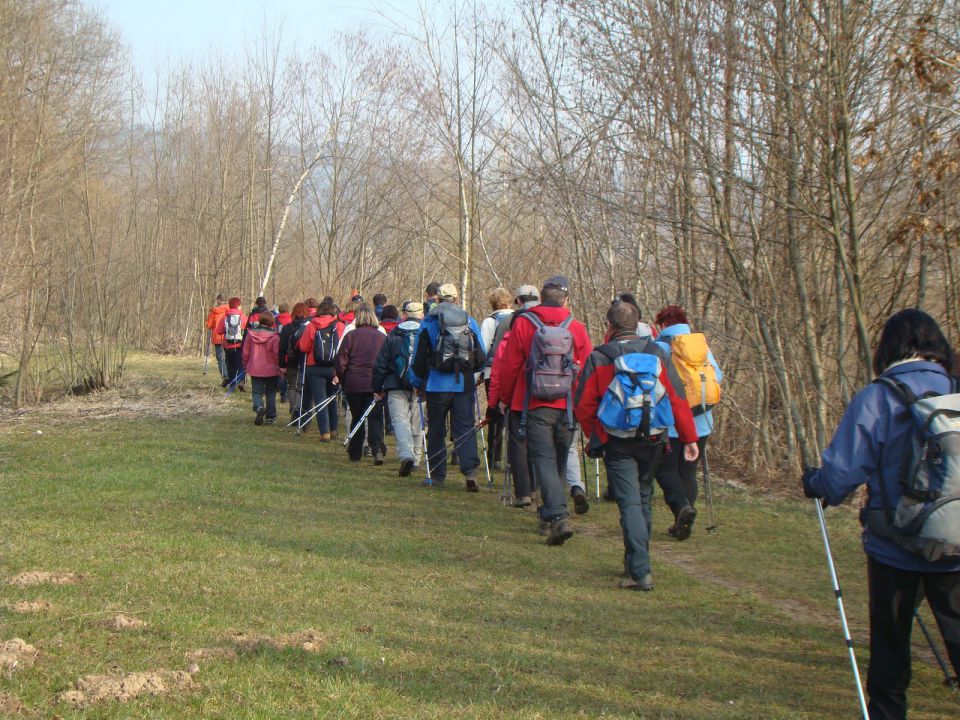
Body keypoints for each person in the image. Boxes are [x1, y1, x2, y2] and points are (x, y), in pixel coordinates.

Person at [802, 309, 960, 720]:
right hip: (957, 540)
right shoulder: (956, 388)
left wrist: (814, 482)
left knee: (891, 643)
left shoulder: (879, 396)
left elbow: (840, 476)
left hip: (895, 544)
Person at [575, 301, 698, 590]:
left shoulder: (600, 357)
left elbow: (582, 404)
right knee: (643, 499)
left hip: (617, 442)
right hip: (654, 439)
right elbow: (678, 399)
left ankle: (639, 570)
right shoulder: (656, 352)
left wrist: (596, 433)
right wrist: (689, 437)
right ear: (638, 324)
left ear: (610, 326)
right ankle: (635, 562)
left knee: (629, 503)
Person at [495, 275, 592, 544]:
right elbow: (586, 369)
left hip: (533, 403)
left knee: (544, 461)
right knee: (559, 461)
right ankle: (550, 514)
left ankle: (557, 516)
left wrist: (504, 398)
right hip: (568, 405)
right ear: (566, 300)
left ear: (542, 297)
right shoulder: (577, 327)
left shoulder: (525, 323)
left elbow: (511, 365)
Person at [652, 304, 722, 540]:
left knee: (665, 469)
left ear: (662, 325)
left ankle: (682, 508)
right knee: (688, 470)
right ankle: (683, 520)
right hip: (701, 421)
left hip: (671, 423)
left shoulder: (660, 347)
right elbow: (717, 377)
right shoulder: (701, 347)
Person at [410, 282, 487, 491]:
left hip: (436, 384)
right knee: (465, 428)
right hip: (463, 383)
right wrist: (475, 372)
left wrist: (416, 383)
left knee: (436, 430)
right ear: (456, 299)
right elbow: (481, 356)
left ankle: (437, 476)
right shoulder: (468, 321)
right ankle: (470, 473)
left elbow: (418, 357)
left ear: (437, 299)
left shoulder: (428, 322)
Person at [488, 285, 541, 508]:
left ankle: (523, 492)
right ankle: (539, 487)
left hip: (519, 396)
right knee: (539, 444)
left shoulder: (507, 332)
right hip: (550, 396)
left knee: (518, 443)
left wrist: (499, 400)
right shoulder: (562, 326)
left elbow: (502, 369)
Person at [373, 301, 425, 476]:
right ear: (421, 315)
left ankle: (406, 456)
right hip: (420, 386)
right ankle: (417, 459)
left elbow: (382, 362)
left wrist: (378, 386)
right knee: (418, 422)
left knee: (400, 421)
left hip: (395, 384)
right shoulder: (426, 332)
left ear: (404, 315)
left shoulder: (394, 333)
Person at [335, 303, 388, 463]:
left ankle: (355, 451)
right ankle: (377, 449)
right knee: (375, 418)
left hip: (354, 382)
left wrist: (342, 378)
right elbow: (387, 361)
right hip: (375, 383)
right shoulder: (382, 338)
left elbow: (341, 361)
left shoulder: (351, 336)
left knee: (357, 416)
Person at [297, 298, 345, 440]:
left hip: (315, 366)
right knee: (332, 398)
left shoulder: (312, 325)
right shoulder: (340, 326)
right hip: (334, 368)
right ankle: (334, 429)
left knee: (320, 400)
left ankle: (324, 432)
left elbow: (304, 347)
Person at [481, 288, 514, 472]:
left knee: (494, 415)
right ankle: (513, 457)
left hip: (492, 372)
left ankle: (494, 457)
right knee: (513, 417)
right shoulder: (519, 317)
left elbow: (484, 347)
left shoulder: (490, 321)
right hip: (514, 372)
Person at [242, 311, 282, 425]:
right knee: (270, 392)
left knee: (256, 391)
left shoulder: (251, 333)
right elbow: (277, 354)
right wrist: (280, 366)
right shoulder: (274, 336)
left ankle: (259, 407)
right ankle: (270, 416)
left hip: (255, 367)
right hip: (271, 369)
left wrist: (245, 364)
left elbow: (245, 351)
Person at [279, 302, 310, 422]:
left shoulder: (287, 328)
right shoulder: (309, 327)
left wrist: (282, 364)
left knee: (291, 386)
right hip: (305, 360)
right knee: (301, 386)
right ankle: (299, 409)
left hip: (291, 360)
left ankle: (293, 409)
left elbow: (281, 348)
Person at [215, 297, 247, 391]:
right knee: (241, 364)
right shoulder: (243, 317)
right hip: (239, 345)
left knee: (230, 365)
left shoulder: (225, 317)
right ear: (239, 305)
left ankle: (232, 386)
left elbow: (219, 331)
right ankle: (241, 380)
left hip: (228, 346)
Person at [205, 294, 230, 381]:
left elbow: (209, 325)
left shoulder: (214, 311)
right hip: (228, 337)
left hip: (217, 338)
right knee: (228, 357)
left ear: (219, 300)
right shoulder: (230, 310)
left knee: (220, 358)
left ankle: (225, 376)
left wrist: (207, 321)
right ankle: (230, 376)